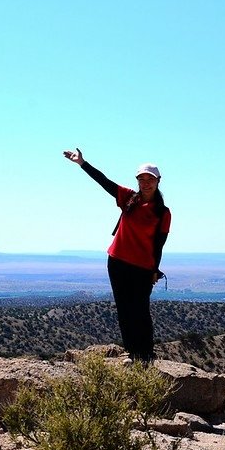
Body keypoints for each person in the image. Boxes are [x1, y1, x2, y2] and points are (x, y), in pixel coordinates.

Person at [63, 147, 171, 364]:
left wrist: (153, 270)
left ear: (158, 181)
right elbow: (104, 182)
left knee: (140, 310)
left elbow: (159, 245)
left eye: (149, 179)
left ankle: (146, 354)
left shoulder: (162, 212)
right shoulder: (129, 198)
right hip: (117, 262)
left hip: (142, 267)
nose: (145, 182)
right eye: (141, 178)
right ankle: (132, 352)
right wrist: (83, 163)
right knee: (124, 309)